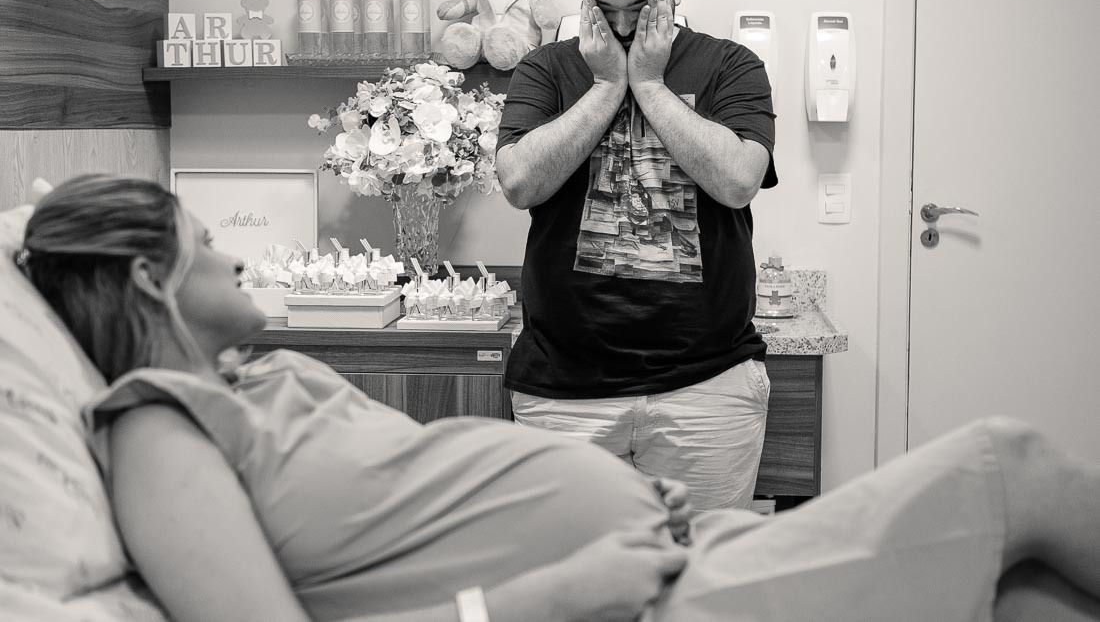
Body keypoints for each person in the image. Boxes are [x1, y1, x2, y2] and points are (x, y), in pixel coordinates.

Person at [19, 173, 1100, 622]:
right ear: (153, 279)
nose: (236, 256)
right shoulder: (157, 428)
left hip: (666, 559)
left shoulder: (258, 377)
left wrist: (604, 511)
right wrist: (550, 593)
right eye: (210, 242)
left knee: (1024, 597)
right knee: (1009, 465)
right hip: (633, 608)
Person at [494, 0, 777, 511]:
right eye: (604, 7)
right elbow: (518, 183)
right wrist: (606, 86)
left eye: (641, 5)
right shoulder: (546, 68)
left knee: (700, 564)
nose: (621, 25)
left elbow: (738, 180)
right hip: (563, 390)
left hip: (707, 386)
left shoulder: (731, 65)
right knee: (575, 567)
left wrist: (648, 84)